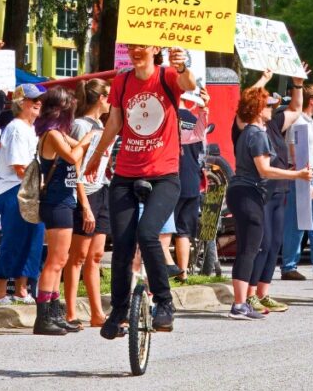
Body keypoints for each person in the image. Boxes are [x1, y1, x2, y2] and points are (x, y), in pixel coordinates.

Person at [85, 45, 197, 339]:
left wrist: (183, 67)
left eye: (142, 46)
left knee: (148, 234)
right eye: (132, 45)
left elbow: (189, 85)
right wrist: (97, 156)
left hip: (164, 175)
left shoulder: (168, 75)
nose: (136, 50)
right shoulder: (122, 81)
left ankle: (164, 302)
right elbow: (115, 122)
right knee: (121, 244)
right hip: (126, 173)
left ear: (154, 49)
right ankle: (119, 309)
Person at [225, 87, 313, 320]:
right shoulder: (257, 134)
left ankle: (241, 302)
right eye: (267, 105)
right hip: (248, 192)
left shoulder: (251, 132)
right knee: (250, 249)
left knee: (249, 247)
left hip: (242, 192)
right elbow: (264, 170)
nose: (271, 109)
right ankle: (239, 304)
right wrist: (296, 175)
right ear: (257, 109)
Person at [32, 87, 95, 336]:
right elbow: (72, 156)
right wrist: (88, 140)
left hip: (64, 201)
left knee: (61, 260)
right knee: (55, 260)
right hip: (55, 203)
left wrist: (87, 142)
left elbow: (77, 151)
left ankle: (55, 312)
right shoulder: (51, 134)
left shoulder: (58, 132)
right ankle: (43, 317)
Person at [240, 69, 304, 313]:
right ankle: (249, 294)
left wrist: (297, 84)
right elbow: (246, 99)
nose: (272, 107)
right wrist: (264, 79)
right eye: (267, 104)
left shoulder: (274, 124)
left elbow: (297, 110)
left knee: (275, 242)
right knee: (262, 243)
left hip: (279, 190)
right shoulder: (248, 126)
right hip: (260, 191)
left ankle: (263, 293)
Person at [0, 84, 46, 305]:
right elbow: (19, 167)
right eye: (33, 100)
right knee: (14, 240)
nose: (38, 103)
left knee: (33, 239)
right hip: (16, 188)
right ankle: (0, 292)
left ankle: (22, 289)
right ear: (20, 103)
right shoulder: (15, 128)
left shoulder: (31, 129)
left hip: (30, 189)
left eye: (39, 100)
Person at [64, 78, 112, 327]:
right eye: (108, 96)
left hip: (101, 189)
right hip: (84, 194)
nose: (111, 100)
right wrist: (84, 205)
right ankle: (70, 312)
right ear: (100, 98)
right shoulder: (81, 126)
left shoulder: (103, 126)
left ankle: (97, 312)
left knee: (96, 255)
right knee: (78, 256)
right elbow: (75, 168)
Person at [281, 83, 313, 281]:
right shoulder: (300, 123)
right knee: (297, 222)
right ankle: (291, 266)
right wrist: (306, 184)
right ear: (312, 100)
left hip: (307, 176)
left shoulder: (307, 122)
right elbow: (295, 152)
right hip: (301, 177)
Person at [172, 87, 210, 280]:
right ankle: (183, 271)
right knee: (184, 230)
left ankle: (165, 270)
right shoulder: (195, 121)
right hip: (192, 179)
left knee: (164, 230)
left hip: (171, 179)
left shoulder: (168, 117)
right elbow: (202, 153)